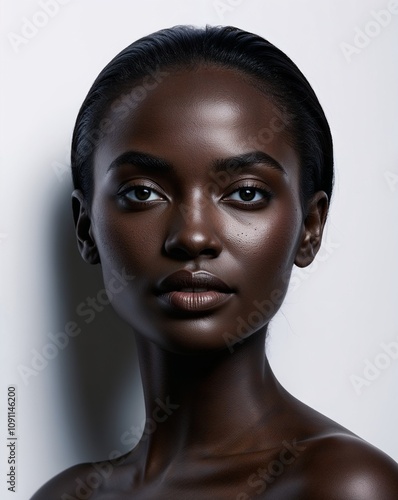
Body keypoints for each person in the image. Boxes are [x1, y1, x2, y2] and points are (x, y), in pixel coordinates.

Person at [32, 25, 398, 499]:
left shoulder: (343, 486)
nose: (193, 236)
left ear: (310, 227)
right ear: (86, 228)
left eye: (246, 193)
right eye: (143, 193)